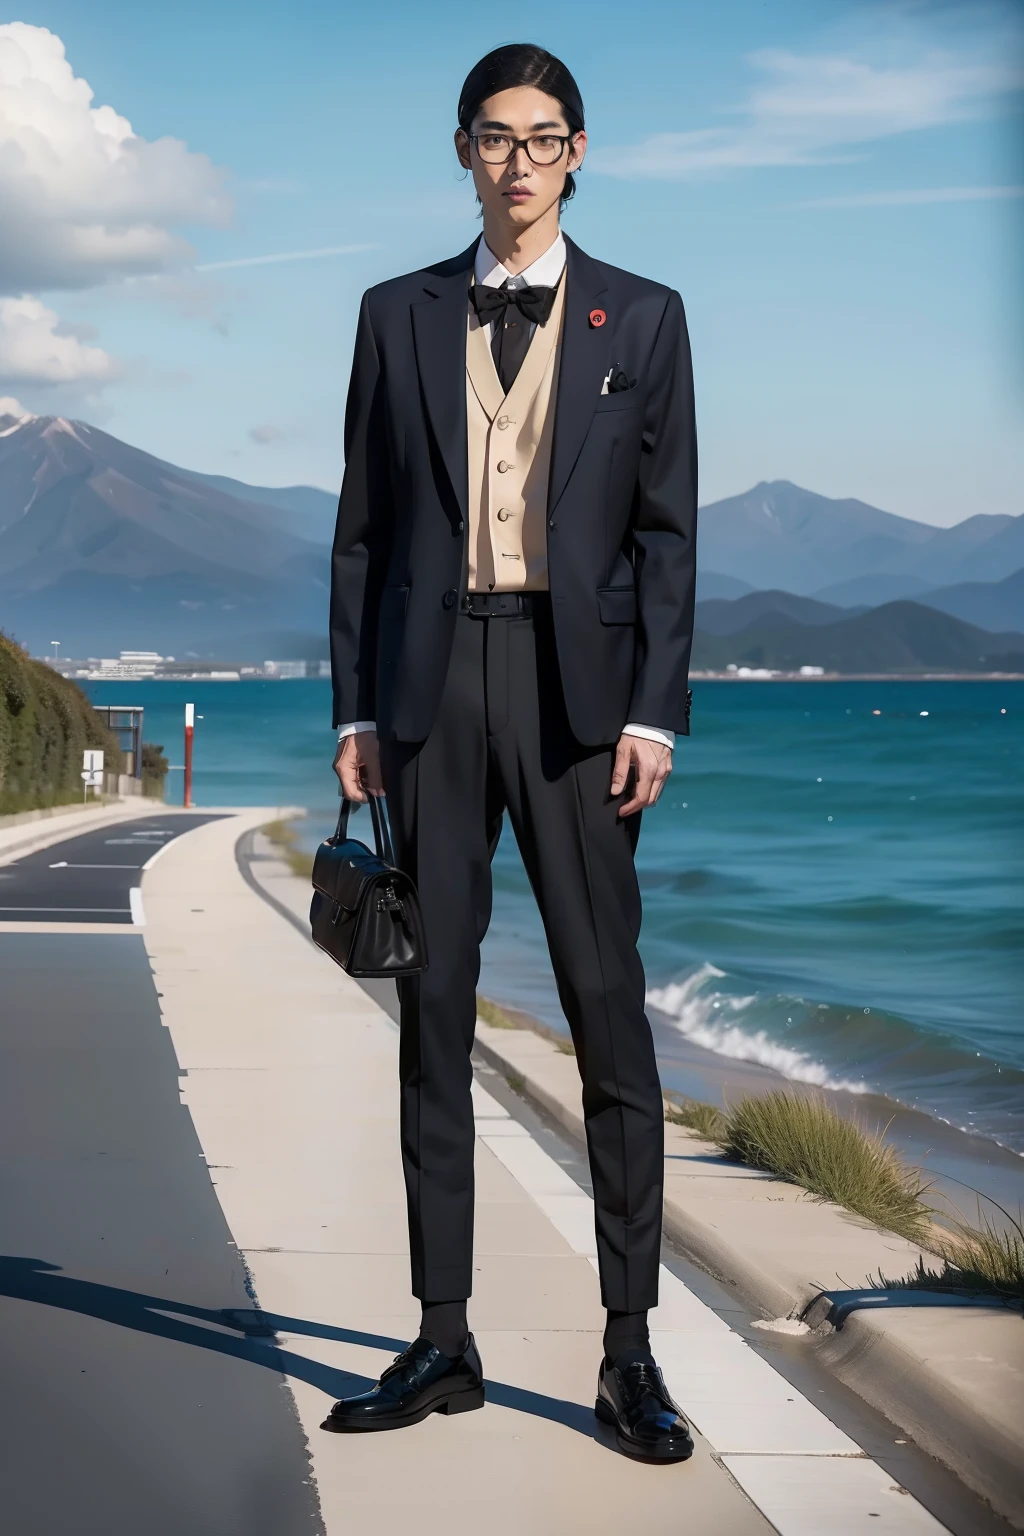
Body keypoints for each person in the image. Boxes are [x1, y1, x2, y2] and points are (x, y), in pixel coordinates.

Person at [322, 43, 697, 1461]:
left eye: (546, 137)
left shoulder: (646, 319)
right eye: (497, 135)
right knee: (431, 1018)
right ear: (464, 152)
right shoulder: (393, 313)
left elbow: (669, 536)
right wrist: (355, 710)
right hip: (429, 692)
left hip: (577, 700)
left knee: (610, 1016)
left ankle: (628, 1356)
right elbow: (361, 526)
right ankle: (441, 1340)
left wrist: (654, 711)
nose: (521, 159)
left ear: (581, 152)